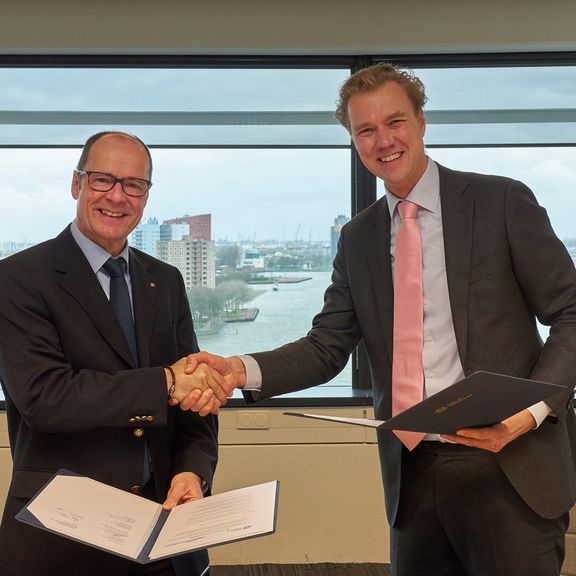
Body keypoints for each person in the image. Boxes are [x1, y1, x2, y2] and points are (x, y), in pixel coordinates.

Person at [186, 64, 576, 576]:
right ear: (353, 141)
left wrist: (527, 413)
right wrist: (238, 370)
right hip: (412, 476)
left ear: (421, 122)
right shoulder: (359, 238)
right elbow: (326, 347)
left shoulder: (501, 201)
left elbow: (571, 313)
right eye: (365, 130)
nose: (383, 141)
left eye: (395, 122)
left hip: (509, 464)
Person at [0, 131, 229, 576]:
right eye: (103, 180)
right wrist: (165, 382)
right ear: (76, 184)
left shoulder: (164, 280)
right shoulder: (17, 278)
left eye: (134, 185)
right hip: (63, 534)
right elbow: (45, 399)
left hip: (167, 527)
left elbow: (195, 402)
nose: (118, 196)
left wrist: (193, 472)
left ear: (146, 197)